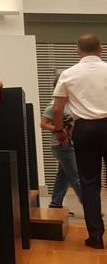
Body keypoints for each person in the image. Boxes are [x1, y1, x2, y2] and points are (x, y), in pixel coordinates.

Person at [53, 34, 107, 249]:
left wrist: (59, 130)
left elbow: (57, 108)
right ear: (101, 49)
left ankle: (95, 237)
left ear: (78, 51)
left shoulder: (69, 74)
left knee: (90, 183)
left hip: (84, 129)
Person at [40, 81, 82, 212]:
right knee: (76, 177)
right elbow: (43, 124)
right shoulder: (53, 106)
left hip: (71, 144)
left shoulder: (72, 104)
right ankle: (91, 205)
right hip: (61, 145)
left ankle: (55, 204)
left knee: (63, 176)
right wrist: (59, 130)